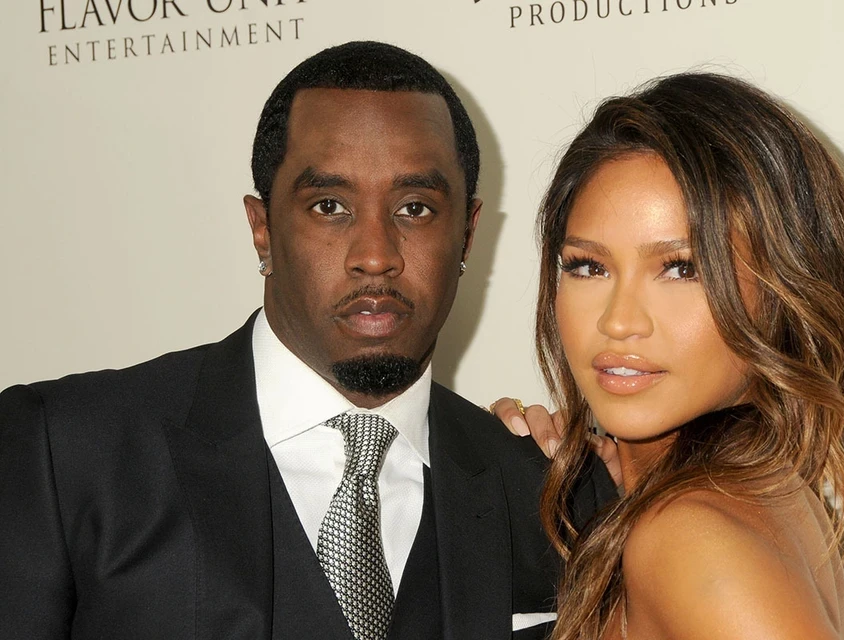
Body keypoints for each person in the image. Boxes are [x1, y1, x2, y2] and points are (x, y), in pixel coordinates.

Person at [0, 41, 614, 640]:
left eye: (415, 209)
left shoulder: (556, 493)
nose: (375, 256)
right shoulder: (62, 454)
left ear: (468, 235)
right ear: (262, 230)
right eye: (328, 206)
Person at [505, 73, 844, 639]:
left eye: (682, 269)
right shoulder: (764, 493)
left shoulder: (691, 536)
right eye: (589, 266)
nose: (618, 321)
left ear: (783, 293)